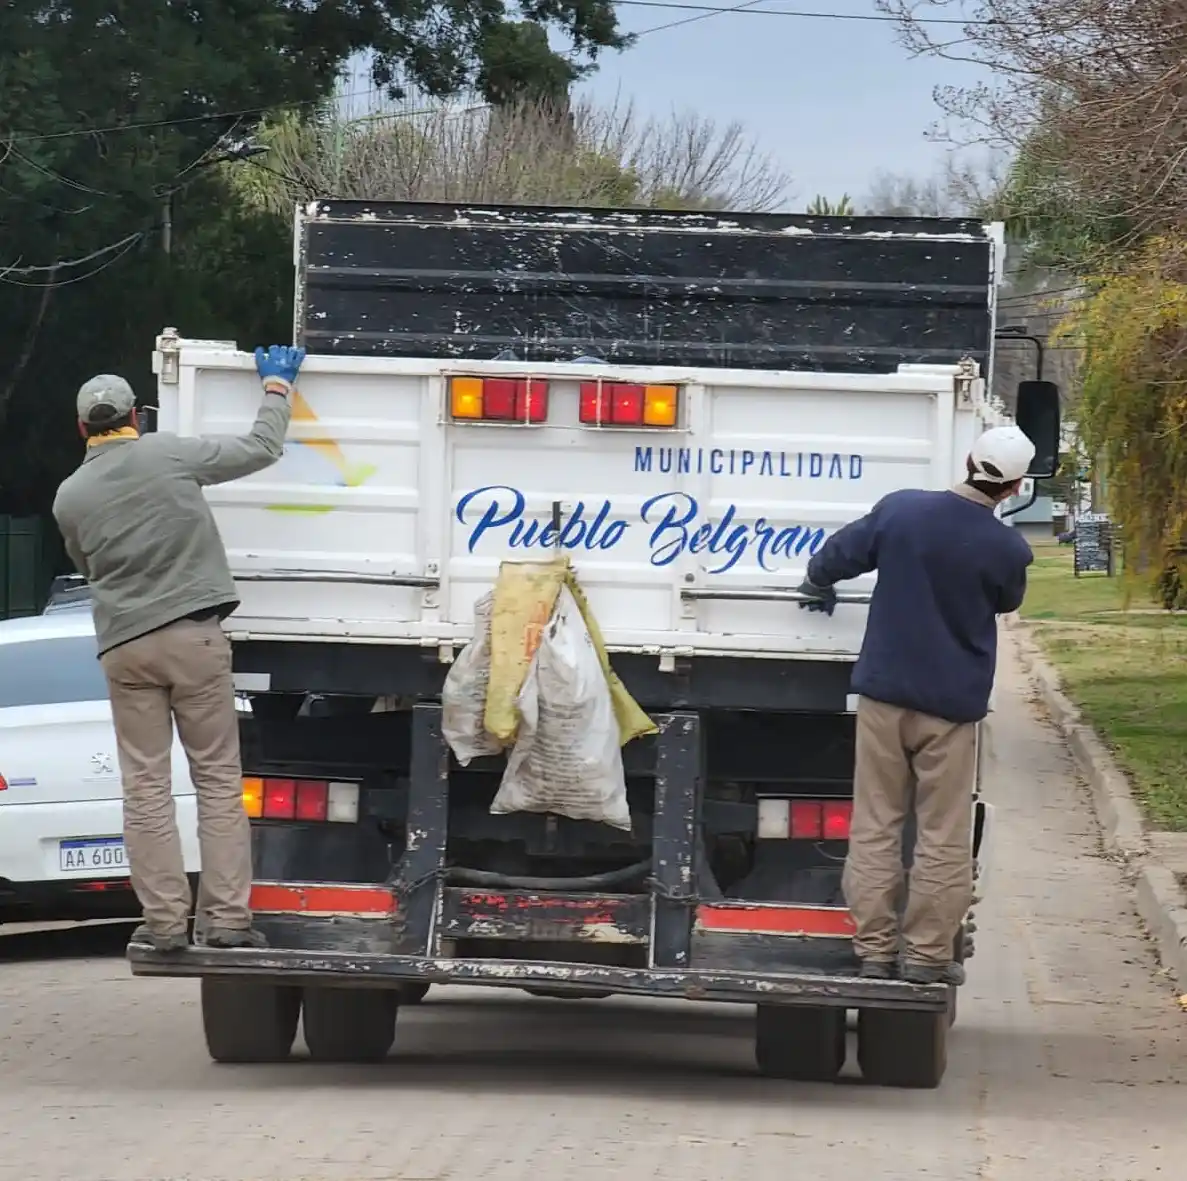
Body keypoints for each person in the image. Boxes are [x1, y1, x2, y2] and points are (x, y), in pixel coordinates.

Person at [52, 344, 306, 953]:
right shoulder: (166, 454)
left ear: (83, 426)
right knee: (217, 779)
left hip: (125, 649)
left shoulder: (69, 497)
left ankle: (163, 925)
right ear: (136, 417)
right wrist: (275, 389)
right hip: (193, 637)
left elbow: (86, 565)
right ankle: (226, 922)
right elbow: (259, 450)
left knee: (145, 787)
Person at [796, 425, 1035, 985]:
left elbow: (835, 556)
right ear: (1016, 486)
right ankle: (926, 956)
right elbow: (1008, 599)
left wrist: (817, 583)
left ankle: (874, 949)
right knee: (942, 833)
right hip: (951, 709)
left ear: (970, 460)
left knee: (877, 822)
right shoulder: (1007, 548)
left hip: (885, 695)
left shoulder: (901, 512)